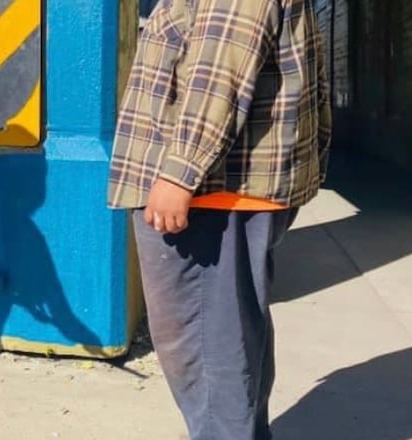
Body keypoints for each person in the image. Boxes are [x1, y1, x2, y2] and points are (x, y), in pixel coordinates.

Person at [108, 0, 331, 439]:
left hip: (213, 194)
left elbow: (218, 70)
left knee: (208, 355)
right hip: (224, 189)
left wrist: (179, 172)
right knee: (231, 342)